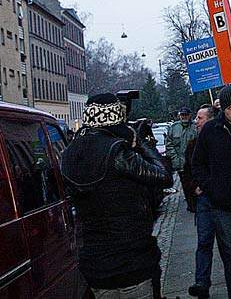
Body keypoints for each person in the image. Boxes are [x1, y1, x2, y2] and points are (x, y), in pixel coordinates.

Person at [60, 93, 173, 298]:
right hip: (132, 261)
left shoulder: (69, 153)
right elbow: (163, 176)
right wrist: (139, 142)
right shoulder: (117, 151)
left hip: (96, 265)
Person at [190, 86, 231, 299]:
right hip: (223, 206)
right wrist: (211, 187)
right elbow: (197, 163)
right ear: (223, 109)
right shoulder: (212, 129)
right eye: (230, 108)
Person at [186, 104, 219, 298]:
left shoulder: (220, 139)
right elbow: (186, 170)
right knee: (204, 242)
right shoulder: (192, 145)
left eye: (200, 118)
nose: (196, 122)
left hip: (221, 199)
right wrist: (194, 187)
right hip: (204, 200)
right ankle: (202, 282)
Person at [167, 107, 198, 211]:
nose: (184, 117)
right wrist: (175, 159)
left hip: (194, 162)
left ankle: (198, 204)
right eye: (182, 115)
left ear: (190, 115)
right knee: (186, 185)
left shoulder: (195, 127)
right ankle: (191, 205)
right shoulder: (174, 128)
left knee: (196, 183)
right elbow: (169, 145)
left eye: (186, 115)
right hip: (181, 163)